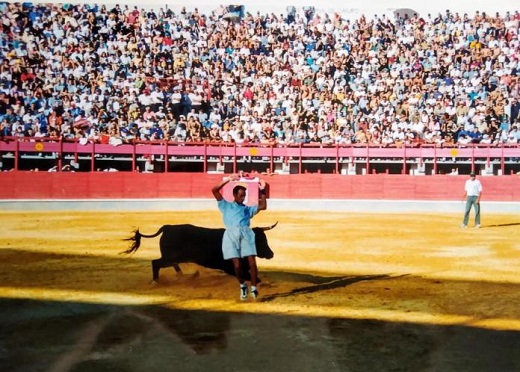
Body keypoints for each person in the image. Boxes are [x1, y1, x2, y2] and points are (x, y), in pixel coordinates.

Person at [212, 174, 267, 300]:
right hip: (230, 235)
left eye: (244, 196)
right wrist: (228, 180)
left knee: (252, 263)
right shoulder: (225, 205)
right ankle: (242, 286)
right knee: (236, 265)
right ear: (235, 195)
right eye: (241, 195)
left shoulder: (247, 209)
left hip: (246, 233)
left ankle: (253, 289)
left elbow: (263, 206)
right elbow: (214, 190)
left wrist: (262, 190)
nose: (243, 198)